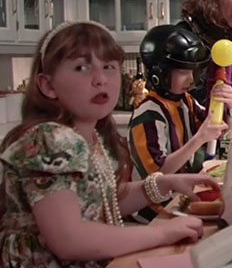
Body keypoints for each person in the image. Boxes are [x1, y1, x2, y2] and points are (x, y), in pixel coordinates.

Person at [0, 21, 218, 267]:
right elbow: (69, 240)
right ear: (48, 85)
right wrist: (162, 233)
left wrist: (163, 183)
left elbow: (102, 200)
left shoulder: (92, 136)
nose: (100, 79)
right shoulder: (50, 139)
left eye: (109, 66)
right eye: (81, 67)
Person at [128, 24, 232, 221]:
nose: (191, 78)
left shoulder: (185, 100)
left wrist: (229, 104)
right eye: (183, 72)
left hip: (179, 198)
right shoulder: (148, 114)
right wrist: (199, 138)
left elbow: (213, 125)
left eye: (192, 72)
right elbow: (158, 176)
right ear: (159, 73)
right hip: (153, 211)